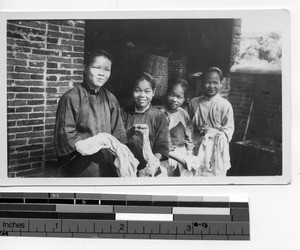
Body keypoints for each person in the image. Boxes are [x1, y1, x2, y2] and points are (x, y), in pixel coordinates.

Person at [54, 50, 127, 177]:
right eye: (96, 67)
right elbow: (65, 135)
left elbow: (119, 133)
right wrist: (89, 144)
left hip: (107, 165)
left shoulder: (111, 99)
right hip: (80, 167)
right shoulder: (71, 98)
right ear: (85, 68)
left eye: (106, 69)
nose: (101, 74)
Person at [121, 72, 169, 176]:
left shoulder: (159, 116)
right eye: (137, 90)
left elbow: (161, 146)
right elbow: (118, 139)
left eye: (147, 91)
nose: (142, 95)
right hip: (126, 165)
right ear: (132, 91)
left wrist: (151, 166)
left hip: (150, 167)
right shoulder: (123, 113)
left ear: (153, 92)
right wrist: (129, 133)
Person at [189, 67, 234, 176]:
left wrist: (212, 132)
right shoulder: (194, 102)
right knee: (196, 174)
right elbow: (189, 125)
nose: (212, 86)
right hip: (197, 146)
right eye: (208, 82)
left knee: (214, 177)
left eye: (215, 82)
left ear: (221, 83)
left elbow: (229, 129)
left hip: (216, 150)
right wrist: (196, 130)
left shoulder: (225, 105)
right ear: (202, 83)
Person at [160, 78, 194, 176]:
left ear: (184, 99)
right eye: (172, 95)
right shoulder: (161, 114)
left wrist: (189, 151)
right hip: (167, 154)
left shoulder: (184, 114)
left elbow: (189, 133)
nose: (174, 99)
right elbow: (162, 136)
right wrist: (169, 151)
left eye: (179, 97)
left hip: (182, 153)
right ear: (167, 94)